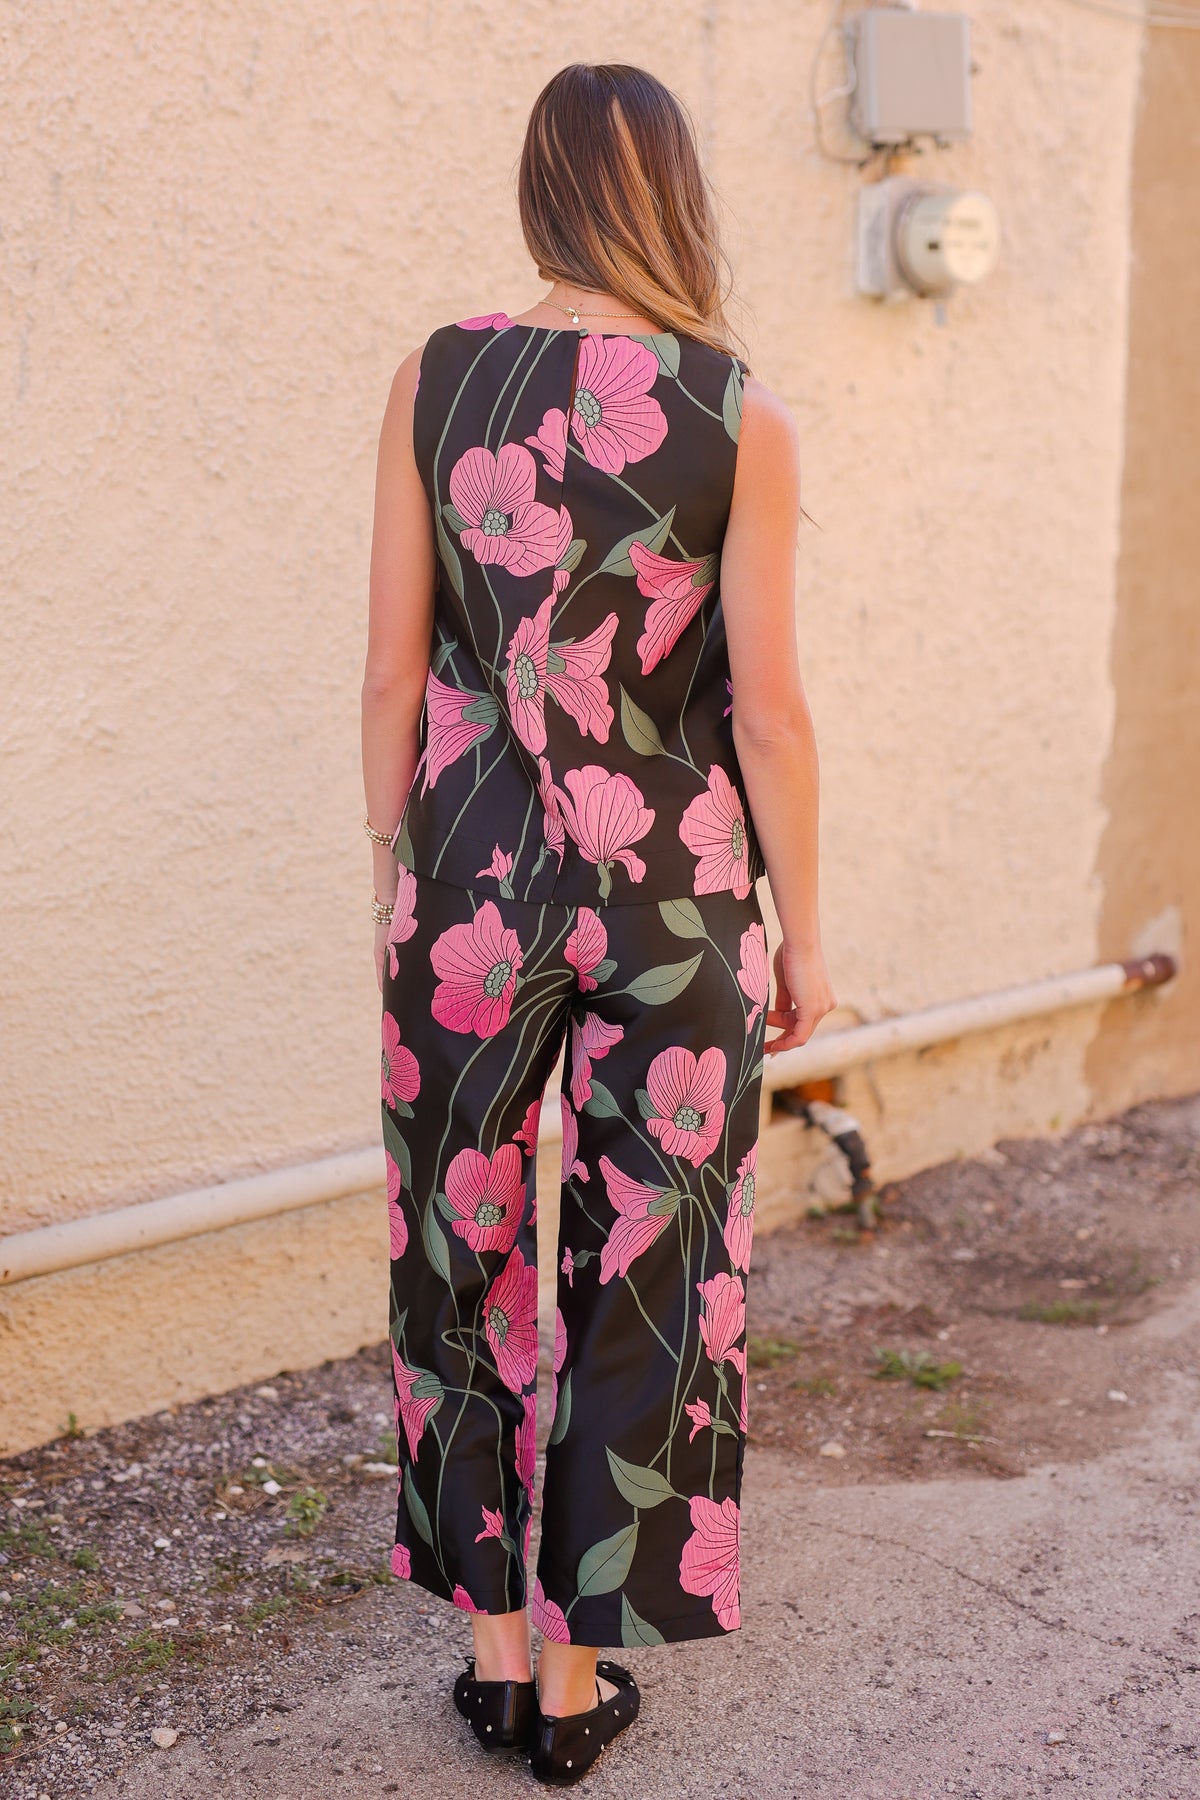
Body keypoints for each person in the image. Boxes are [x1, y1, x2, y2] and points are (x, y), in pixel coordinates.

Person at [360, 59, 835, 1786]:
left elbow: (393, 674)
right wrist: (811, 934)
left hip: (468, 877)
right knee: (651, 1264)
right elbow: (767, 713)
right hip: (678, 889)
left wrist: (408, 859)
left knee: (456, 1239)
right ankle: (573, 1679)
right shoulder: (740, 411)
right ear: (673, 189)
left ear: (540, 185)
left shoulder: (440, 378)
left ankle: (488, 1657)